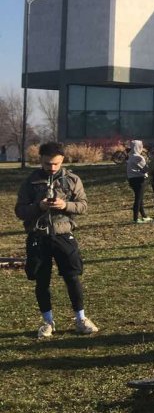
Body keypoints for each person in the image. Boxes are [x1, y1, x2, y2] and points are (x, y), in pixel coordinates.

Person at [15, 141, 98, 337]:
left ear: (62, 161)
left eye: (56, 164)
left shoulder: (72, 179)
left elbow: (83, 205)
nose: (52, 168)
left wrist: (65, 205)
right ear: (40, 161)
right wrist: (39, 207)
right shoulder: (30, 182)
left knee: (72, 276)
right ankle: (48, 322)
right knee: (41, 280)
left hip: (63, 234)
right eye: (47, 164)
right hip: (38, 236)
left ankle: (80, 318)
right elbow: (20, 210)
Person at [126, 140, 151, 224]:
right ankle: (135, 218)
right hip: (139, 179)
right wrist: (149, 161)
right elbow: (146, 169)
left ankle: (144, 216)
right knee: (138, 199)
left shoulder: (131, 156)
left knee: (140, 198)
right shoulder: (137, 157)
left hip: (132, 179)